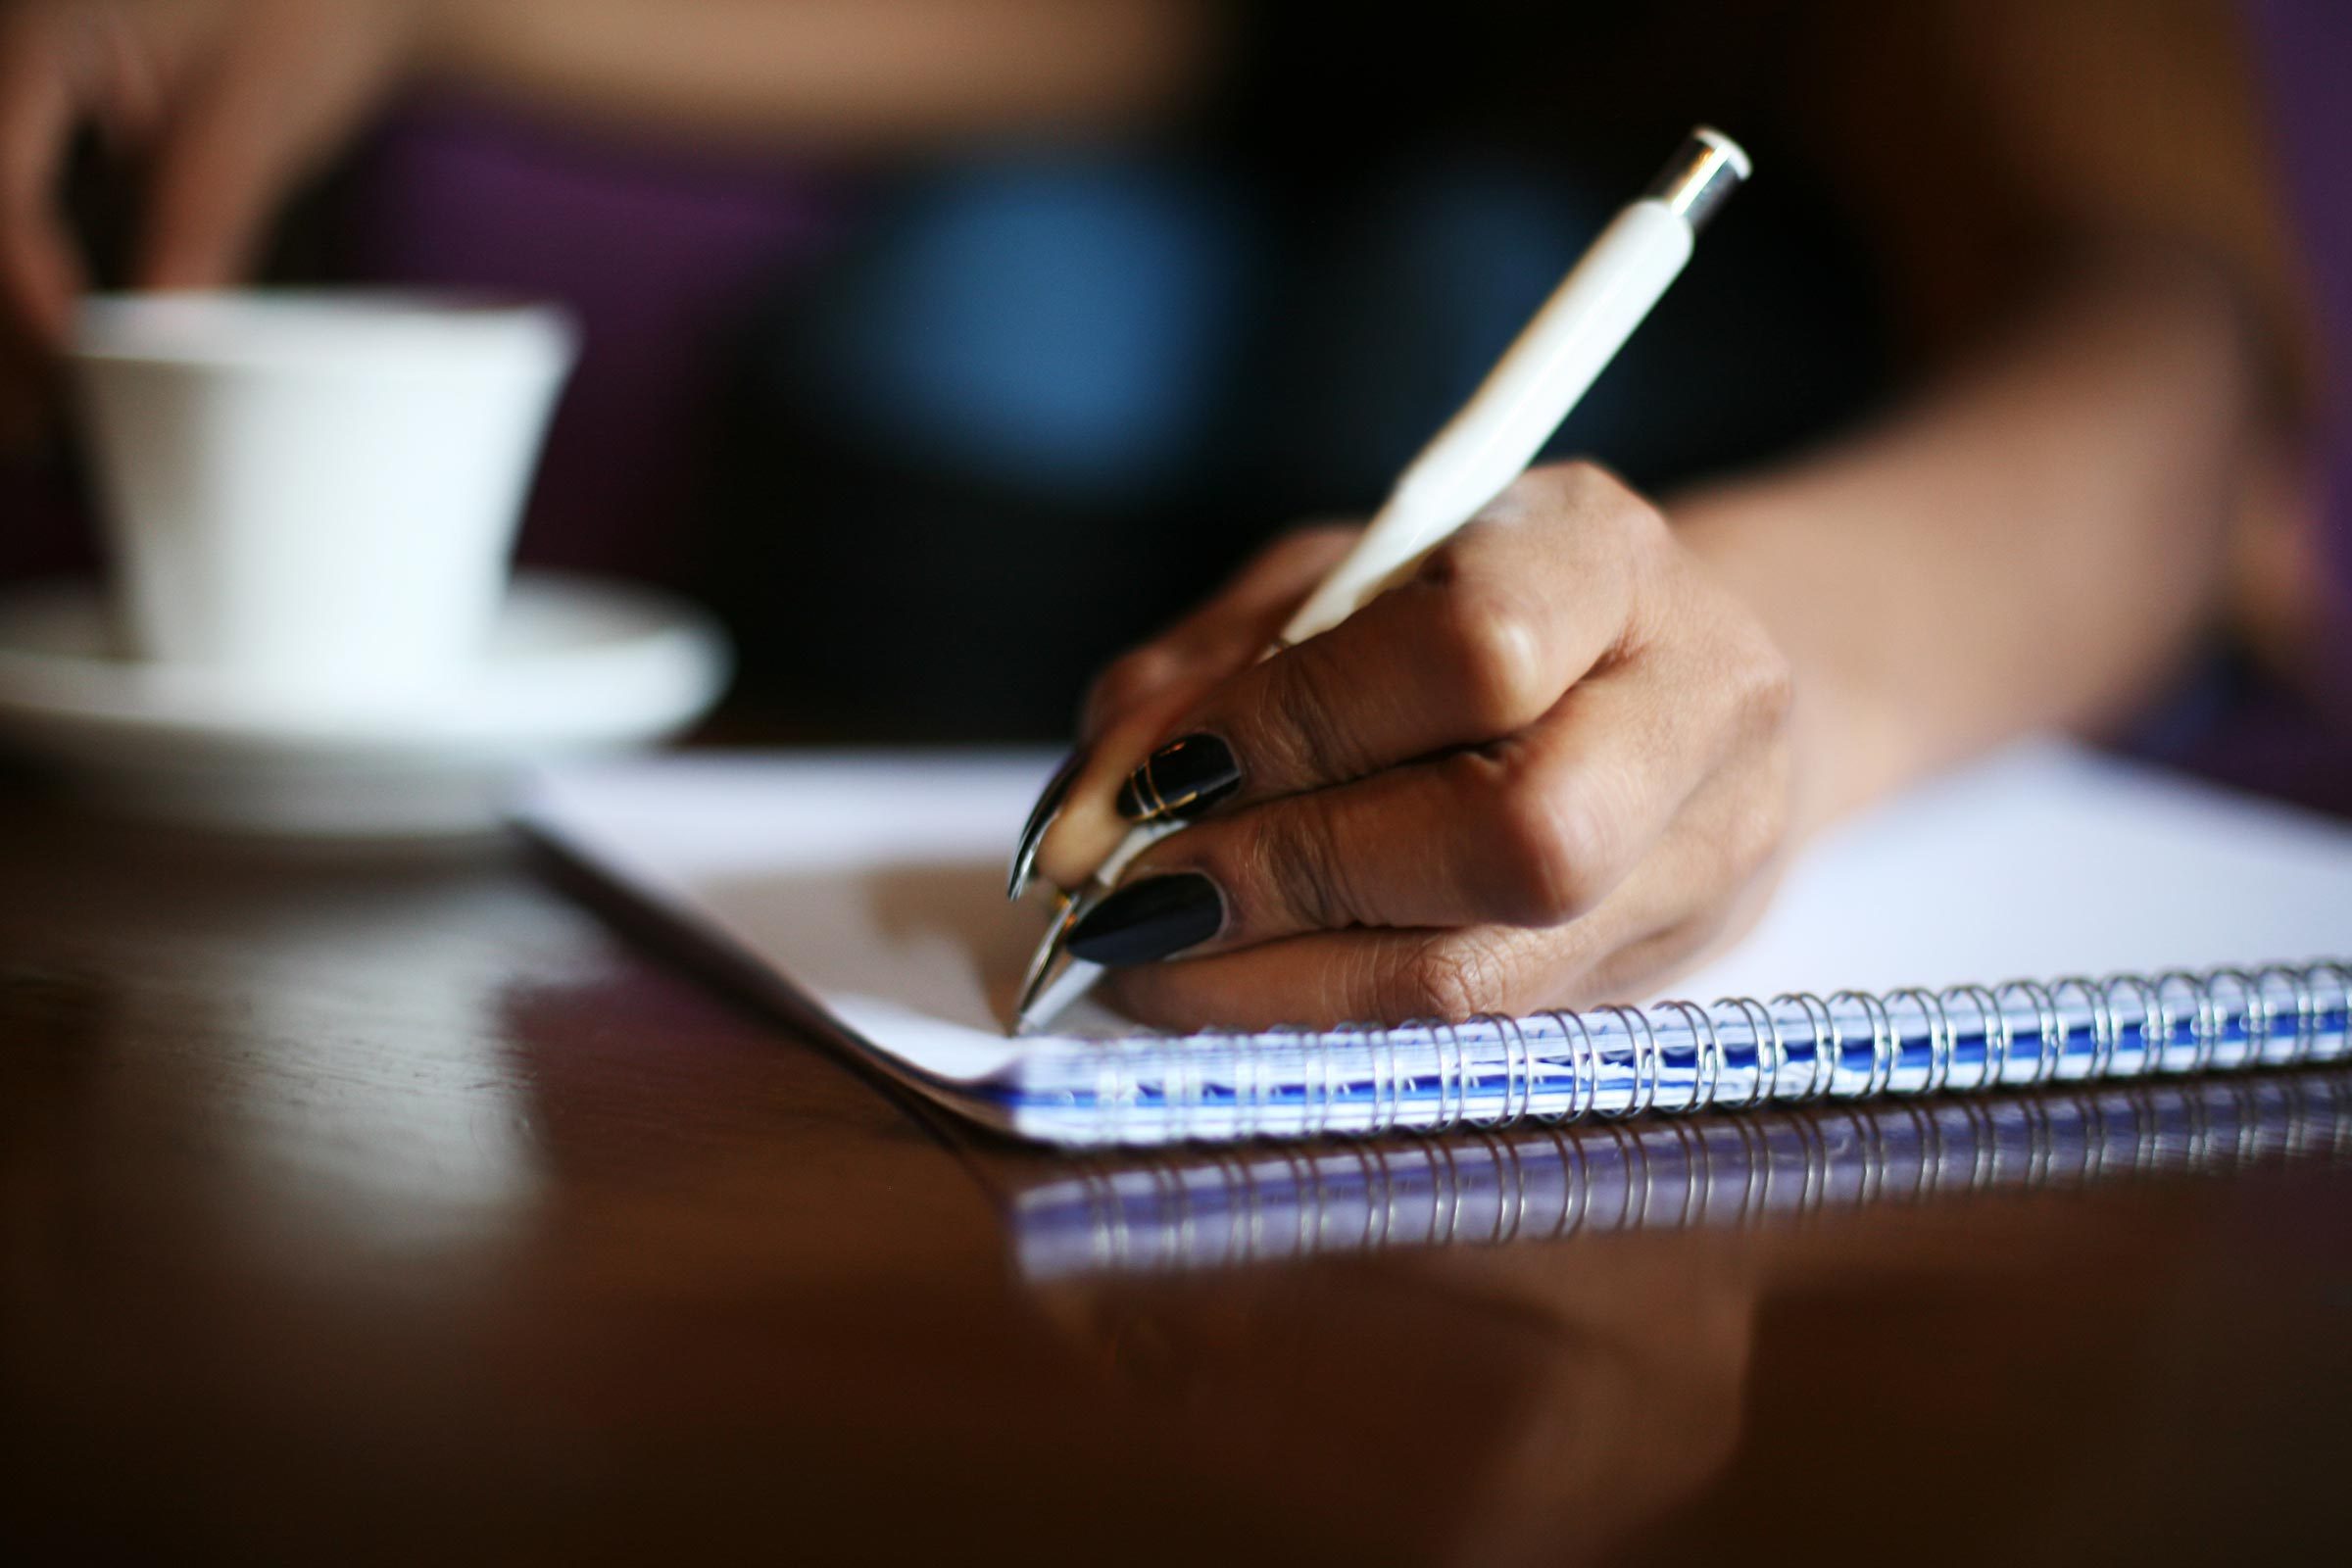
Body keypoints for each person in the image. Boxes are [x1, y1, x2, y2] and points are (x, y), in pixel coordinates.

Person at [0, 1, 2333, 1028]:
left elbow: (2179, 365)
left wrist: (1770, 675)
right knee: (993, 292)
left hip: (1862, 578)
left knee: (1410, 296)